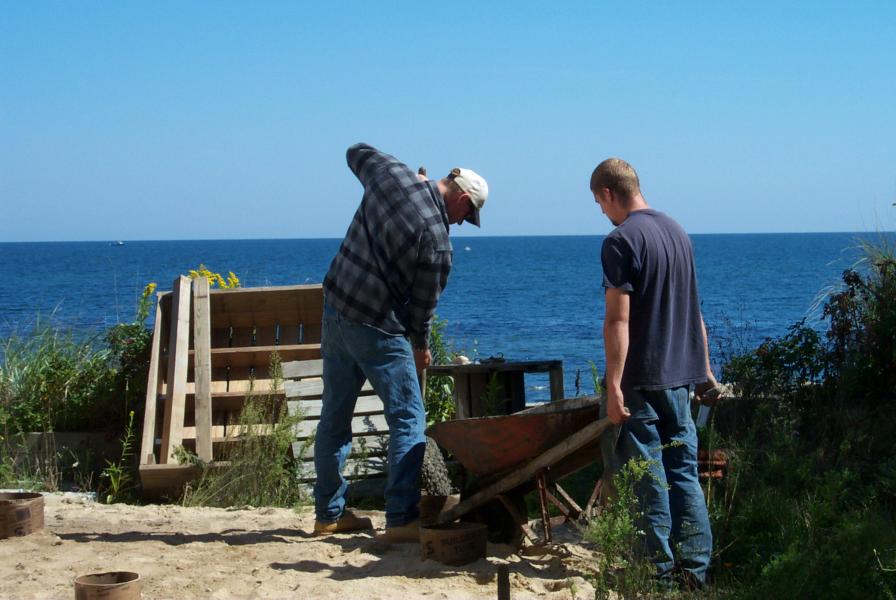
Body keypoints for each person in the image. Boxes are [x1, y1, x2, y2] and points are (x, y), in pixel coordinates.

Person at [312, 143, 488, 543]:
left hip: (337, 309)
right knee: (409, 418)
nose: (461, 223)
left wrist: (408, 177)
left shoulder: (391, 175)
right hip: (379, 326)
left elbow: (355, 151)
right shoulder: (438, 241)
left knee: (334, 416)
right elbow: (421, 310)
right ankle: (401, 518)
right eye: (466, 215)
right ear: (462, 199)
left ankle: (328, 515)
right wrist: (421, 347)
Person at [591, 158, 721, 588]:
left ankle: (657, 577)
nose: (602, 212)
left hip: (641, 380)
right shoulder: (677, 232)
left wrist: (613, 385)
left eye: (599, 203)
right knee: (684, 474)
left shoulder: (620, 240)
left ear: (608, 193)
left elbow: (618, 320)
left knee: (647, 478)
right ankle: (695, 574)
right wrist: (703, 369)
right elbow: (693, 309)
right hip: (681, 376)